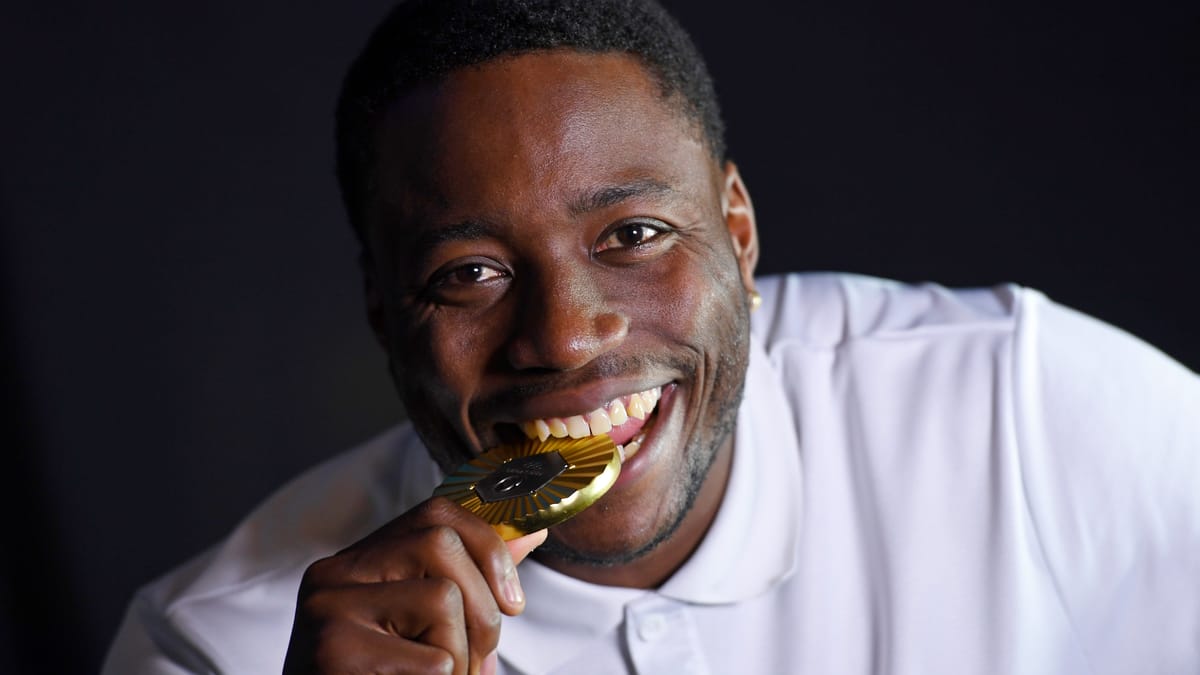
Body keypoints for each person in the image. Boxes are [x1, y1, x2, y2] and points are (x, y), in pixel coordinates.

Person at [103, 1, 1200, 673]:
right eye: (469, 274)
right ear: (385, 316)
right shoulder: (218, 648)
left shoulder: (1022, 409)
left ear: (738, 233)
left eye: (631, 233)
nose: (568, 339)